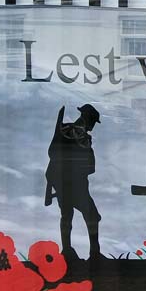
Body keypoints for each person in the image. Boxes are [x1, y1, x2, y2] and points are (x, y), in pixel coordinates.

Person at [45, 104, 104, 261]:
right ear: (88, 118)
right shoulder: (72, 132)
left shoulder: (75, 133)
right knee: (89, 216)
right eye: (93, 121)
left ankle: (72, 250)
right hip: (71, 182)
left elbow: (89, 165)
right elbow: (54, 153)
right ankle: (89, 252)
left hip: (70, 181)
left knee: (69, 215)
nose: (93, 126)